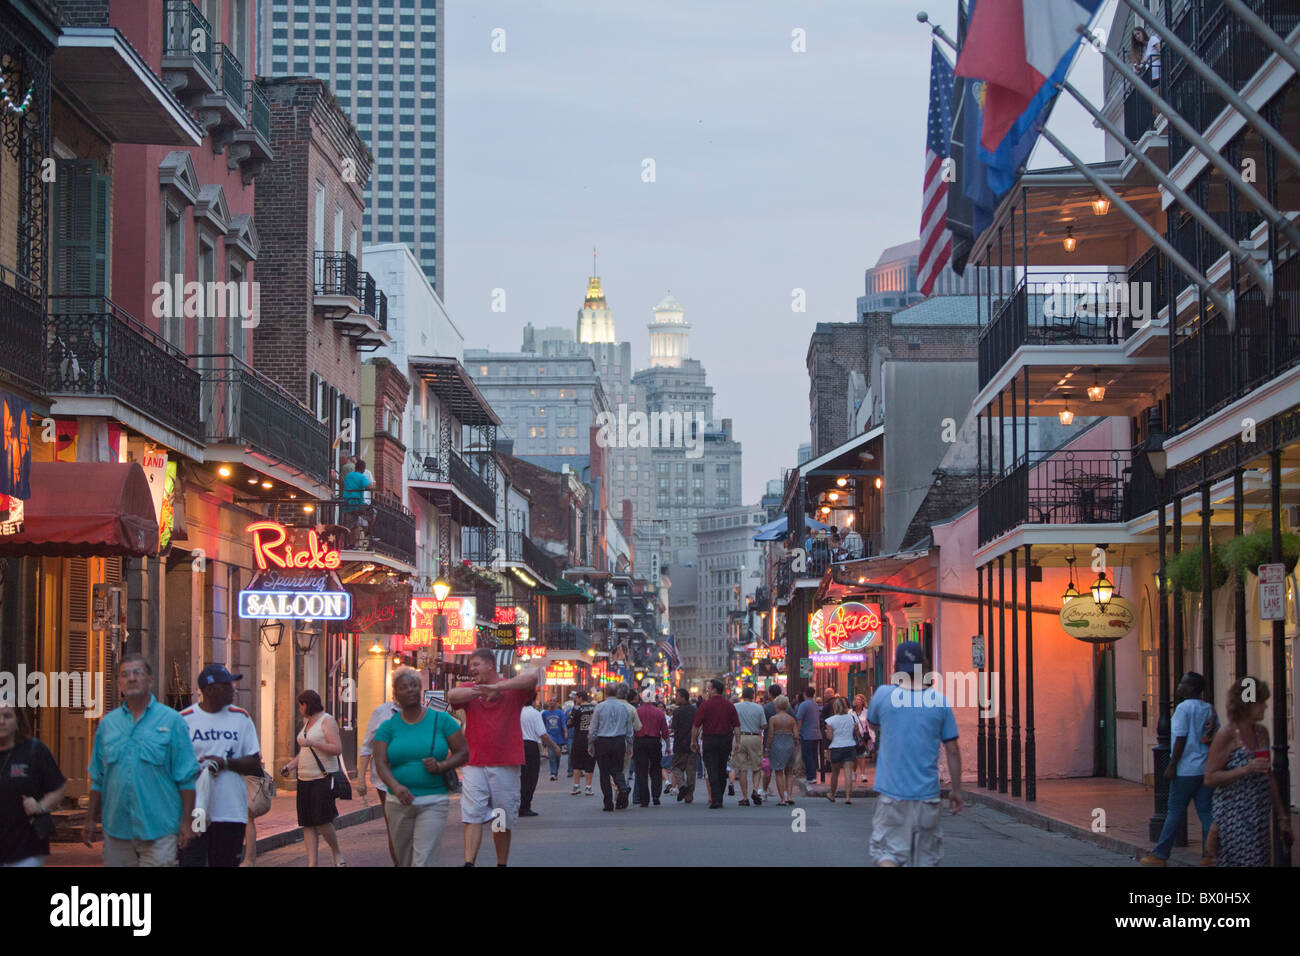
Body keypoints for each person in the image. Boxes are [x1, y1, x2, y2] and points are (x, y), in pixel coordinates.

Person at [84, 654, 199, 866]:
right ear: (119, 683)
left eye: (138, 673)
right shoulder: (108, 725)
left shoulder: (172, 721)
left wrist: (187, 821)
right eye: (125, 674)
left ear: (150, 680)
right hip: (117, 828)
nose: (131, 678)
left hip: (160, 828)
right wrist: (91, 819)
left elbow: (186, 778)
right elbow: (98, 778)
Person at [866, 642, 963, 866]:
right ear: (925, 667)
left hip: (892, 795)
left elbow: (872, 723)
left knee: (887, 854)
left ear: (896, 667)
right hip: (927, 796)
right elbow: (953, 750)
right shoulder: (939, 702)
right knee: (926, 860)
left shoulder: (883, 695)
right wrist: (956, 790)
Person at [446, 648, 539, 866]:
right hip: (474, 763)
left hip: (505, 763)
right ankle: (469, 862)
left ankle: (501, 863)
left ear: (490, 665)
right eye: (471, 664)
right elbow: (452, 696)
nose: (472, 669)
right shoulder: (471, 689)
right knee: (473, 815)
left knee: (500, 817)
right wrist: (482, 691)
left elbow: (532, 678)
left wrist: (497, 688)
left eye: (476, 664)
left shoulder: (512, 690)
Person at [371, 667, 468, 866]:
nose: (410, 690)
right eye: (404, 687)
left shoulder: (441, 720)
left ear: (420, 689)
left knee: (423, 860)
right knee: (403, 859)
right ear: (395, 693)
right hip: (398, 803)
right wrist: (396, 787)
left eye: (414, 685)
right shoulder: (388, 727)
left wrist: (442, 765)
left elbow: (463, 753)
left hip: (433, 801)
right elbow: (380, 762)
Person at [179, 664, 262, 867]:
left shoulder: (241, 718)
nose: (232, 689)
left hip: (230, 811)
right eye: (226, 686)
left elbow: (254, 764)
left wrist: (226, 763)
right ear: (208, 690)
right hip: (195, 810)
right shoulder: (185, 720)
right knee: (192, 861)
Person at [1204, 676, 1291, 867]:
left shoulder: (1261, 733)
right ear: (1247, 704)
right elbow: (1210, 778)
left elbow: (1269, 775)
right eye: (1261, 703)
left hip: (1258, 814)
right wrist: (1245, 769)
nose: (1264, 707)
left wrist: (1282, 815)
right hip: (1233, 817)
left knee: (1260, 860)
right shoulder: (1227, 734)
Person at [1141, 672, 1217, 866]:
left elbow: (1180, 739)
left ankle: (1160, 855)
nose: (1178, 686)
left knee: (1174, 813)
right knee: (1206, 812)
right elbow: (1213, 733)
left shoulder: (1183, 709)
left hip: (1185, 769)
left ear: (1191, 688)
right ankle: (1209, 855)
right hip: (1204, 767)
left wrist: (1172, 765)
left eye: (1182, 683)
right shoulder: (1208, 708)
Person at [280, 689, 347, 867]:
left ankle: (336, 852)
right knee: (308, 823)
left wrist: (313, 742)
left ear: (307, 704)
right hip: (304, 779)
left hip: (322, 777)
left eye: (300, 705)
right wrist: (289, 766)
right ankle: (312, 862)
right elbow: (304, 752)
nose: (299, 709)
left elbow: (337, 749)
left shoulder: (327, 720)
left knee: (323, 820)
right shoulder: (307, 724)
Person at [0, 705, 66, 867]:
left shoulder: (34, 750)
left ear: (18, 721)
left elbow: (58, 787)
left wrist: (41, 806)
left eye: (7, 716)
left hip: (26, 847)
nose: (1, 721)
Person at [357, 686, 403, 866]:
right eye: (401, 685)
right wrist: (360, 777)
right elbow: (367, 746)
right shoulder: (381, 713)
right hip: (386, 782)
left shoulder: (422, 713)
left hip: (415, 779)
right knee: (394, 827)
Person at [691, 679, 740, 810]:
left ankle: (716, 799)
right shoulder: (729, 706)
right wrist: (737, 742)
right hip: (725, 740)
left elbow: (696, 725)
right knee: (722, 768)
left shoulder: (705, 705)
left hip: (710, 740)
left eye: (709, 688)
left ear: (714, 690)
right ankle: (719, 797)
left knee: (712, 769)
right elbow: (736, 726)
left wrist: (693, 740)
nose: (707, 690)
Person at [589, 683, 638, 811]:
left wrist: (591, 743)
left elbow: (593, 728)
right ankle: (622, 787)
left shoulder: (599, 707)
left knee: (604, 773)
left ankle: (608, 802)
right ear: (616, 693)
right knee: (617, 769)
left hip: (603, 741)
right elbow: (629, 729)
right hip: (619, 741)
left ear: (605, 693)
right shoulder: (624, 708)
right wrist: (630, 745)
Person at [520, 694, 560, 817]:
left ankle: (519, 804)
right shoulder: (535, 714)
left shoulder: (518, 712)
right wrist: (554, 746)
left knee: (521, 777)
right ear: (533, 700)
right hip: (531, 746)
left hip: (518, 745)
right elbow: (543, 733)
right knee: (531, 777)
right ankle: (525, 806)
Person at [633, 691, 670, 807]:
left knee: (641, 771)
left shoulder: (637, 711)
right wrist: (668, 746)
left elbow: (632, 729)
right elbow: (665, 731)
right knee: (656, 769)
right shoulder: (659, 712)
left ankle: (644, 799)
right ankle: (656, 796)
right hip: (654, 742)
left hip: (640, 741)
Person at [733, 685, 767, 806]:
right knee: (756, 767)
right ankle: (755, 790)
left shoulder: (735, 707)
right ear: (753, 696)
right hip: (754, 737)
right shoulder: (759, 708)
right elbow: (764, 725)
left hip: (739, 737)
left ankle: (745, 797)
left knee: (742, 768)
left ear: (742, 696)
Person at [823, 697, 859, 805]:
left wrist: (826, 732)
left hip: (836, 747)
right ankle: (848, 797)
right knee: (848, 772)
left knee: (835, 773)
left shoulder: (830, 720)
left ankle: (832, 794)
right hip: (849, 746)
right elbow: (856, 731)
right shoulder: (852, 718)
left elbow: (830, 737)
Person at [765, 696, 798, 806]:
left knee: (779, 772)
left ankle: (782, 799)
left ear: (777, 706)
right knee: (789, 771)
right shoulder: (791, 719)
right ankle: (789, 796)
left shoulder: (773, 719)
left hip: (777, 745)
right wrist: (795, 745)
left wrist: (767, 748)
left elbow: (770, 735)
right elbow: (796, 735)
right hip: (789, 744)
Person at [670, 688, 698, 802]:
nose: (676, 698)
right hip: (692, 743)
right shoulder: (695, 710)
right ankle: (689, 795)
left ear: (683, 697)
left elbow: (674, 728)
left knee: (676, 767)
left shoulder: (677, 711)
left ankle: (682, 785)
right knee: (691, 770)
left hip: (680, 743)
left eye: (677, 696)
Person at [568, 690, 596, 795]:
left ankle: (576, 786)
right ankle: (588, 787)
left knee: (576, 763)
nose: (575, 699)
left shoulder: (576, 709)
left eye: (576, 697)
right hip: (591, 739)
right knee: (590, 763)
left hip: (578, 739)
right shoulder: (594, 708)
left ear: (580, 698)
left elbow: (569, 723)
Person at [795, 685, 821, 784]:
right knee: (814, 755)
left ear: (805, 694)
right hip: (816, 733)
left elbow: (799, 719)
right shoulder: (815, 704)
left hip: (806, 734)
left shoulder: (804, 705)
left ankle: (810, 776)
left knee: (807, 756)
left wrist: (797, 732)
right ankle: (813, 775)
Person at [761, 683, 782, 798]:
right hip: (784, 740)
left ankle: (764, 790)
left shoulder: (767, 708)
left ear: (770, 694)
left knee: (767, 768)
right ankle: (784, 794)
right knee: (781, 769)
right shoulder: (787, 707)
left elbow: (763, 725)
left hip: (770, 740)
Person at [541, 697, 568, 781]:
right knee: (551, 755)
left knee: (557, 755)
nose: (551, 702)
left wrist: (565, 732)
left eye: (553, 701)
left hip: (559, 737)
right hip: (550, 737)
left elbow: (563, 723)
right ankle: (553, 773)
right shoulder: (545, 713)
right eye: (550, 701)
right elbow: (543, 725)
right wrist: (543, 738)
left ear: (557, 703)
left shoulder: (560, 713)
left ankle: (555, 771)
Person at [851, 693, 873, 785]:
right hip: (853, 736)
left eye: (859, 700)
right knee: (855, 756)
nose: (858, 701)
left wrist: (872, 737)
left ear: (863, 702)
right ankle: (853, 772)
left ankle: (863, 774)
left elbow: (869, 725)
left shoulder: (866, 712)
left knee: (862, 755)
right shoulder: (850, 712)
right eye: (856, 699)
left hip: (863, 736)